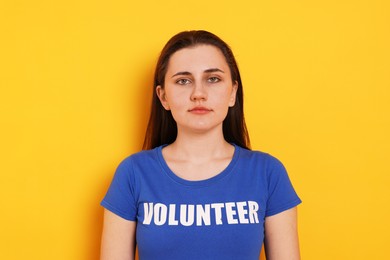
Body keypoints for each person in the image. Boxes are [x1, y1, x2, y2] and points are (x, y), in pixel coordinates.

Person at [100, 30, 301, 260]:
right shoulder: (133, 174)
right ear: (163, 96)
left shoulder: (267, 173)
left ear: (233, 92)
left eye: (213, 79)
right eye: (183, 81)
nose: (198, 94)